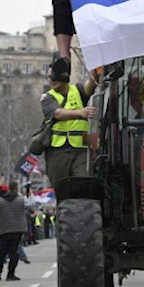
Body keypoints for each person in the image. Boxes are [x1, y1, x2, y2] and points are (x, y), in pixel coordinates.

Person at [40, 57, 98, 202]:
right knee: (63, 195)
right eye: (49, 77)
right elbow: (58, 113)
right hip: (57, 152)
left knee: (83, 186)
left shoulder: (77, 90)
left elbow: (91, 85)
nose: (51, 81)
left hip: (80, 151)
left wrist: (95, 63)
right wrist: (81, 113)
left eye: (53, 77)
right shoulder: (47, 98)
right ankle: (64, 221)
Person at [0, 182, 38, 281]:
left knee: (2, 252)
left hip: (4, 230)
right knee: (14, 252)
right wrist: (30, 193)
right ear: (16, 188)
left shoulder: (0, 201)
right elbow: (32, 205)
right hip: (18, 229)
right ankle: (10, 274)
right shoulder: (21, 200)